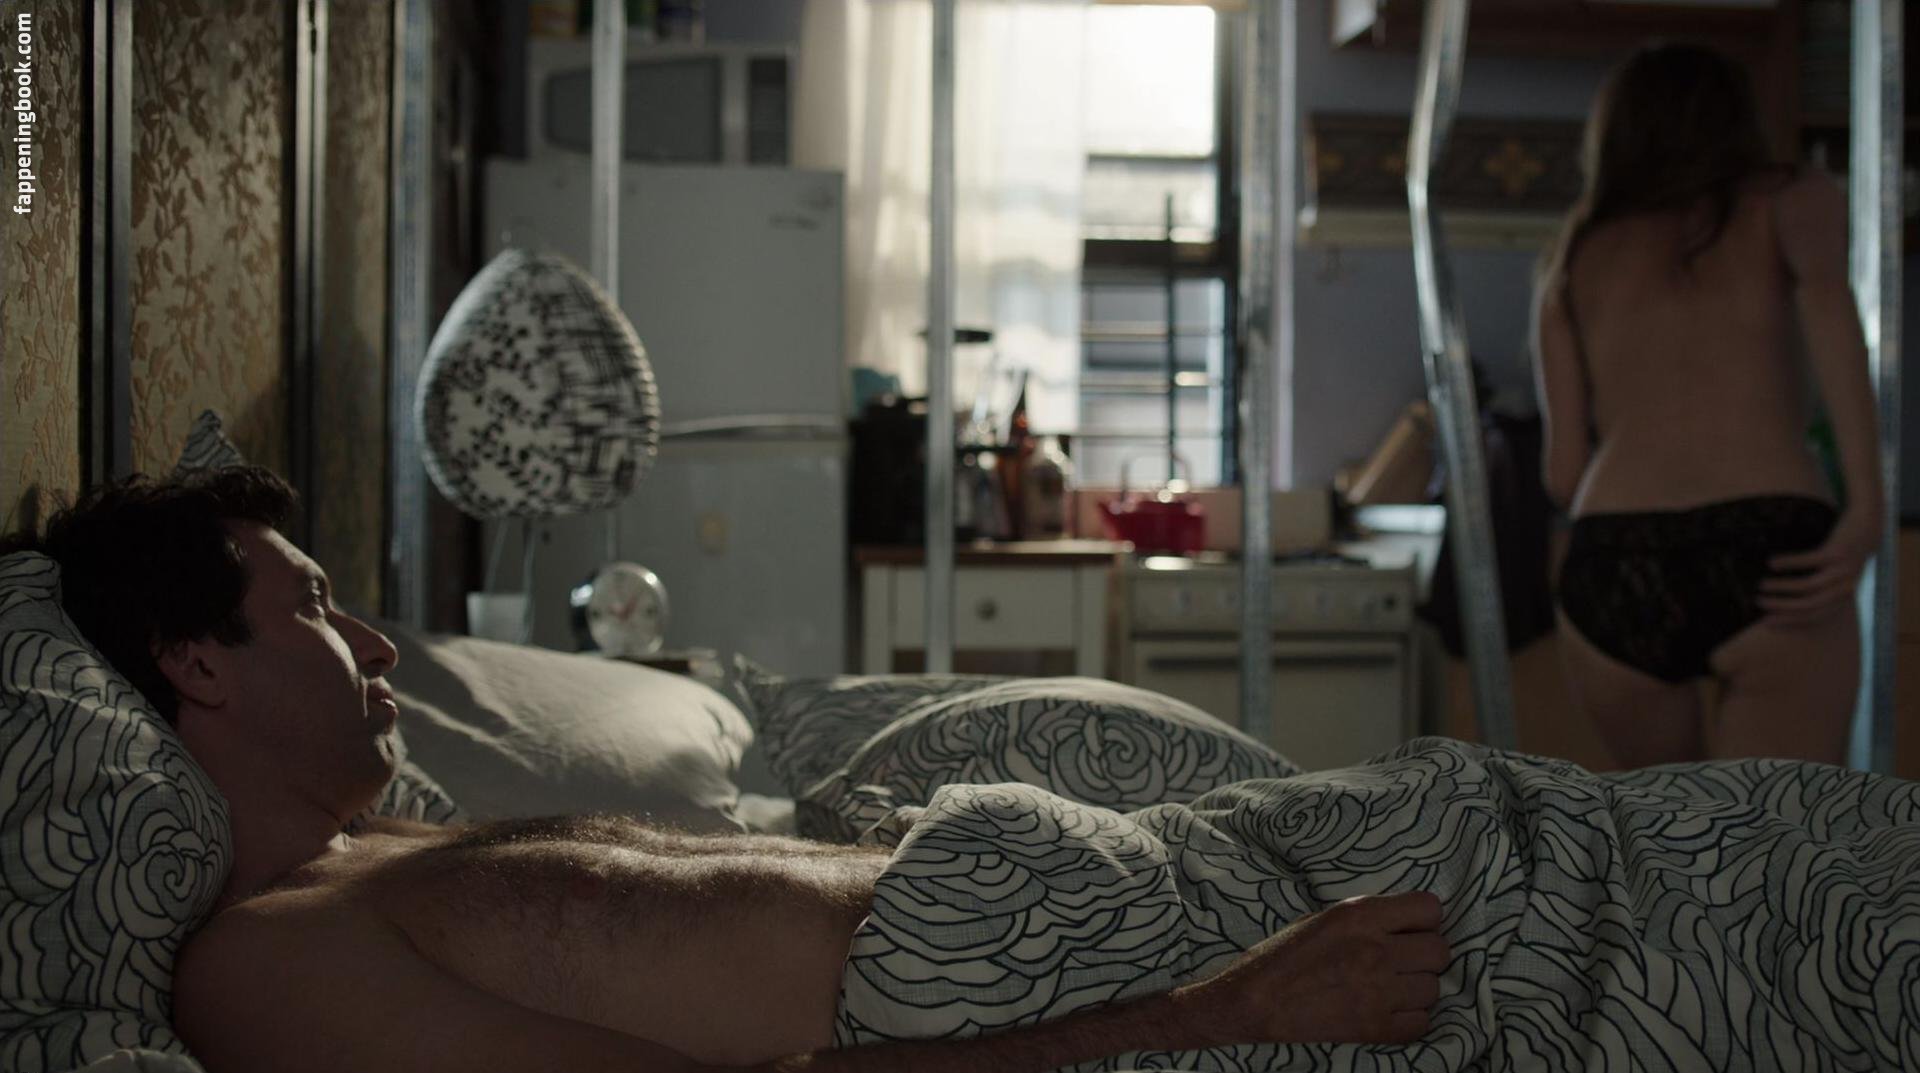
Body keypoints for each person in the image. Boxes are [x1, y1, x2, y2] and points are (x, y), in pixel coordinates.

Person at [8, 467, 1449, 1073]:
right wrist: (1221, 1011)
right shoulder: (257, 967)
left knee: (1487, 818)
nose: (378, 644)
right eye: (319, 609)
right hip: (1137, 999)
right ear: (197, 664)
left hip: (1130, 904)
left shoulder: (369, 851)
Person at [1533, 42, 1882, 768]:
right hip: (1768, 539)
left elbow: (1563, 474)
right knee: (1773, 827)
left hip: (1617, 560)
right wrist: (1866, 506)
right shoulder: (1794, 199)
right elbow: (1836, 326)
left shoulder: (1575, 252)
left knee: (1666, 831)